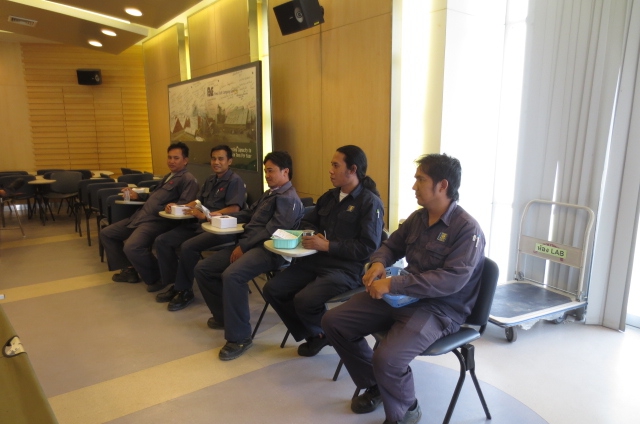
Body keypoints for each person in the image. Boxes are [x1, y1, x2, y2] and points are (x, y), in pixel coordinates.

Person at [322, 153, 486, 424]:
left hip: (439, 308)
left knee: (387, 358)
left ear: (442, 185)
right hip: (403, 297)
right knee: (334, 321)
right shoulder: (419, 218)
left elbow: (451, 280)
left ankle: (406, 410)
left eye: (421, 180)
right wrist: (378, 263)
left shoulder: (467, 230)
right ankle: (376, 384)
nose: (414, 186)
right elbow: (391, 245)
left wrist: (392, 283)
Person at [263, 145, 384, 357]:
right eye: (331, 165)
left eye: (336, 166)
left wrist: (328, 245)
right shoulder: (330, 197)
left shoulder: (369, 202)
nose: (330, 170)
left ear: (352, 169)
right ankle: (317, 333)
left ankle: (321, 332)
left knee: (304, 300)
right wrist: (313, 234)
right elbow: (306, 222)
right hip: (315, 260)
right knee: (273, 289)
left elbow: (367, 247)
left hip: (347, 268)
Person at [195, 151, 304, 361]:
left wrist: (243, 247)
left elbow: (273, 230)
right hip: (249, 244)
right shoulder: (270, 193)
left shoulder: (288, 199)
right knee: (204, 269)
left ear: (285, 172)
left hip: (270, 250)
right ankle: (225, 317)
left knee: (232, 275)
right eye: (265, 171)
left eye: (271, 171)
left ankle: (240, 337)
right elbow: (249, 213)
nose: (267, 175)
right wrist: (223, 214)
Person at [154, 145, 246, 311]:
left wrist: (208, 215)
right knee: (163, 240)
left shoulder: (235, 181)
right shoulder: (210, 179)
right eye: (213, 158)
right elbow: (198, 202)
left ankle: (184, 290)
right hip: (200, 225)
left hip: (220, 230)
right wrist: (180, 206)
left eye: (221, 159)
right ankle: (175, 284)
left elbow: (234, 208)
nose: (216, 162)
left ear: (229, 161)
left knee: (188, 247)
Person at [100, 142, 199, 292]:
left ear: (185, 160)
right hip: (140, 216)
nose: (171, 161)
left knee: (132, 247)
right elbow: (155, 196)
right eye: (169, 157)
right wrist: (138, 195)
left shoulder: (188, 179)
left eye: (176, 158)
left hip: (157, 221)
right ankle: (129, 270)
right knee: (107, 233)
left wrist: (174, 207)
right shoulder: (169, 176)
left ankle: (157, 276)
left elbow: (185, 206)